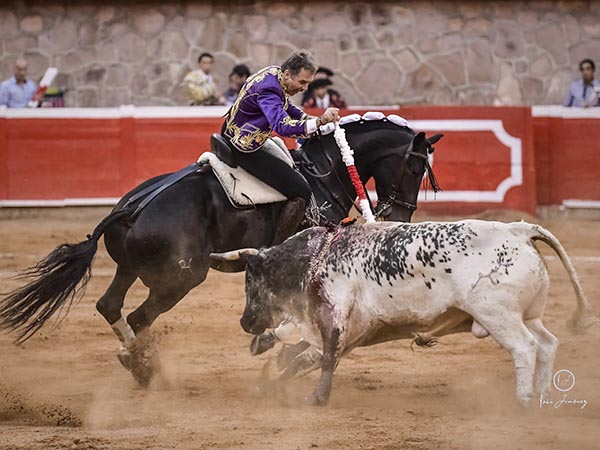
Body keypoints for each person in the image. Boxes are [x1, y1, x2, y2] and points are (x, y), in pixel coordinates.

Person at [221, 50, 339, 244]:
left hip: (234, 131)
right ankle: (276, 250)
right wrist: (317, 123)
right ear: (287, 75)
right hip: (244, 146)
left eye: (308, 83)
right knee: (301, 189)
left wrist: (309, 119)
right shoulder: (270, 90)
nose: (305, 88)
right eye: (302, 82)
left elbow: (286, 106)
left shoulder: (274, 73)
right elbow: (282, 126)